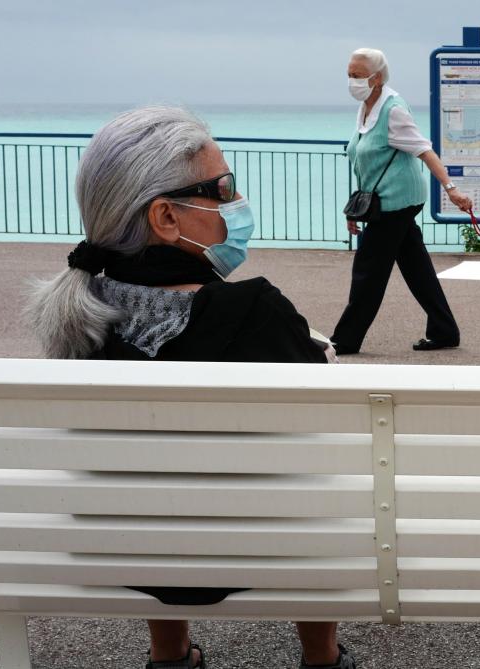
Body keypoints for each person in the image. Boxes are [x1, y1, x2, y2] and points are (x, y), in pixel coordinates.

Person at [24, 106, 352, 669]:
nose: (235, 202)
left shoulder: (79, 321)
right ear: (166, 218)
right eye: (222, 188)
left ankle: (169, 651)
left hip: (130, 552)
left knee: (147, 476)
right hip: (257, 547)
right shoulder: (255, 311)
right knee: (311, 481)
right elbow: (319, 431)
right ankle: (321, 654)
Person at [331, 47, 471, 355]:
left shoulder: (393, 110)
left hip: (398, 204)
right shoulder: (367, 108)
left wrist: (451, 189)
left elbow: (425, 151)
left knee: (368, 272)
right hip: (382, 202)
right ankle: (445, 330)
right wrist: (355, 208)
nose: (351, 81)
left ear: (376, 77)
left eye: (357, 75)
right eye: (349, 75)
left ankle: (346, 340)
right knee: (417, 269)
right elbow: (366, 161)